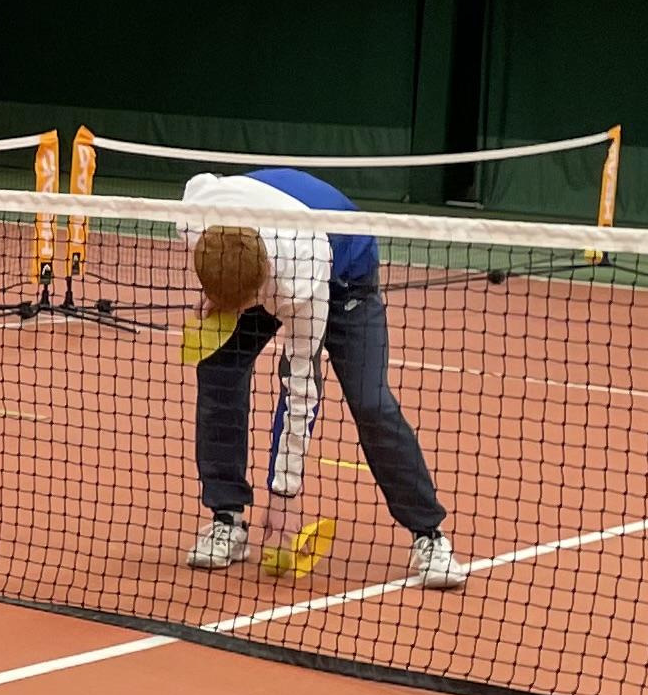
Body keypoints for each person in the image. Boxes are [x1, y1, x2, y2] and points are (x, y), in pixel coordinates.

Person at [177, 166, 465, 589]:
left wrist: (284, 494)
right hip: (267, 256)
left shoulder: (301, 276)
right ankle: (227, 518)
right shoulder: (196, 218)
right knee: (218, 366)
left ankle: (430, 536)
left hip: (345, 273)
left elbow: (300, 388)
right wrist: (218, 289)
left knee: (371, 402)